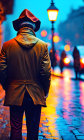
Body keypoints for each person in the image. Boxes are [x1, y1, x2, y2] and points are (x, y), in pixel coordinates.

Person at [0, 9, 51, 140]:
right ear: (33, 27)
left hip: (14, 93)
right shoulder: (43, 46)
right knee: (33, 129)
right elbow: (45, 72)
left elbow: (2, 70)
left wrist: (9, 87)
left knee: (15, 128)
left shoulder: (7, 45)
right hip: (35, 93)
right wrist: (44, 90)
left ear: (19, 27)